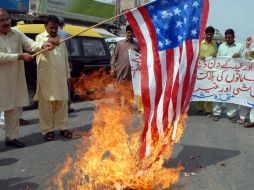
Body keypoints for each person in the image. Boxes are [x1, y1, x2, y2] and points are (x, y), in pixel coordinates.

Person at [0, 8, 53, 148]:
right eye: (1, 20)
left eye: (7, 19)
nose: (6, 22)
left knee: (13, 110)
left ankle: (11, 138)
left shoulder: (16, 33)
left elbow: (30, 44)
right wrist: (19, 56)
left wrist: (43, 45)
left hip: (14, 80)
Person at [35, 15, 72, 141]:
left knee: (62, 104)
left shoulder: (61, 40)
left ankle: (63, 128)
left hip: (60, 77)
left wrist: (68, 75)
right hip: (47, 79)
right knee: (46, 106)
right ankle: (47, 130)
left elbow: (66, 59)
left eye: (56, 28)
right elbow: (39, 45)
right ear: (45, 26)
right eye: (51, 28)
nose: (54, 30)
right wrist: (48, 43)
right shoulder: (39, 38)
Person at [213, 29, 246, 123]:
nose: (227, 39)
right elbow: (218, 59)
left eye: (229, 37)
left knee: (232, 95)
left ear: (234, 37)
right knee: (218, 93)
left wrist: (239, 58)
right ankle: (216, 113)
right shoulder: (221, 46)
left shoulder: (240, 46)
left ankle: (231, 115)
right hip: (221, 74)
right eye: (226, 37)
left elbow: (245, 60)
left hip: (234, 75)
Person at [110, 25, 140, 108]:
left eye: (132, 33)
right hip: (120, 70)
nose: (130, 34)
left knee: (129, 89)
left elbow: (140, 57)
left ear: (134, 34)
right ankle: (117, 106)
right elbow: (114, 56)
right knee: (118, 88)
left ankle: (128, 107)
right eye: (129, 33)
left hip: (131, 72)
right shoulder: (120, 44)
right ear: (126, 33)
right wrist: (112, 68)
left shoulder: (137, 45)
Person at [196, 26, 218, 117]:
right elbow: (195, 55)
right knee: (200, 88)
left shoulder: (215, 44)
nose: (209, 35)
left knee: (209, 90)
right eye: (207, 34)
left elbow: (217, 56)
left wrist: (215, 56)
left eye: (211, 34)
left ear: (213, 34)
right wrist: (199, 57)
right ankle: (199, 108)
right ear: (205, 34)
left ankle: (208, 110)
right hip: (200, 70)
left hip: (211, 71)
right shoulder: (200, 43)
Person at [57, 17, 75, 113]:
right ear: (62, 24)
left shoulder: (45, 33)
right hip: (64, 63)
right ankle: (66, 107)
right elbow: (72, 50)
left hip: (51, 63)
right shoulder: (65, 34)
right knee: (66, 84)